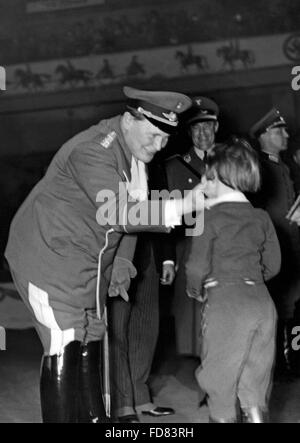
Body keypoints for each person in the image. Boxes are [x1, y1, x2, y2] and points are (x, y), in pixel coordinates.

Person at [4, 86, 204, 423]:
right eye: (153, 136)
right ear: (128, 120)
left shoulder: (134, 155)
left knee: (91, 337)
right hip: (49, 259)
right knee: (65, 343)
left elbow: (130, 221)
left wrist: (123, 262)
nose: (157, 147)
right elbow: (119, 213)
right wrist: (183, 205)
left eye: (164, 140)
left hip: (90, 261)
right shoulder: (93, 150)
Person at [186, 141, 281, 423]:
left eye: (205, 176)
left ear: (217, 178)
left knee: (220, 376)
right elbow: (274, 264)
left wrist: (195, 289)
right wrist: (250, 279)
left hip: (226, 304)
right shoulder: (261, 216)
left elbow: (196, 265)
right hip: (262, 304)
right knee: (255, 376)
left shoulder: (209, 216)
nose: (203, 182)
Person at [108, 159, 176, 423]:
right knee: (118, 333)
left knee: (147, 331)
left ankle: (140, 397)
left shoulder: (154, 166)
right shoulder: (113, 162)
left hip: (148, 256)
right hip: (119, 260)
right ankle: (123, 405)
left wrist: (167, 259)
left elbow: (166, 209)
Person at [165, 96, 219, 356]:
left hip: (225, 246)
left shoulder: (231, 161)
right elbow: (170, 217)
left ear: (216, 127)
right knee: (194, 316)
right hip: (192, 246)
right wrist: (171, 259)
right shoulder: (176, 167)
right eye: (196, 128)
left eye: (207, 126)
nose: (202, 133)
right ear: (189, 132)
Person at [249, 109, 300, 378]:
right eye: (280, 131)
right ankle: (276, 366)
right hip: (272, 250)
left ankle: (288, 361)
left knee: (290, 307)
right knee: (274, 309)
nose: (287, 135)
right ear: (264, 135)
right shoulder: (258, 168)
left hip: (291, 246)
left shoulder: (283, 167)